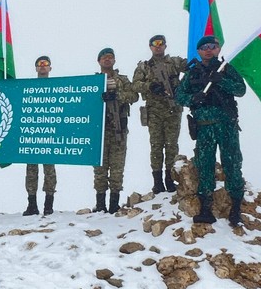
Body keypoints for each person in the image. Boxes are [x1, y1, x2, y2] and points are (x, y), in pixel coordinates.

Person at [175, 35, 246, 226]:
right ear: (199, 51)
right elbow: (180, 95)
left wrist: (221, 80)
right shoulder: (193, 73)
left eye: (213, 46)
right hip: (204, 127)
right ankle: (205, 208)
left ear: (218, 49)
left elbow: (240, 90)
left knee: (232, 164)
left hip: (226, 126)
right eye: (204, 47)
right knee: (204, 165)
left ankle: (236, 209)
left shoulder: (226, 69)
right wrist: (193, 98)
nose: (208, 50)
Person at [132, 35, 188, 193]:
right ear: (150, 47)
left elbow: (192, 67)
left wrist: (182, 87)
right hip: (154, 112)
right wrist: (151, 86)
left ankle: (170, 179)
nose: (158, 47)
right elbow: (135, 85)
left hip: (173, 110)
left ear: (165, 46)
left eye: (160, 44)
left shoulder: (175, 62)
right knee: (156, 147)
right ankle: (157, 182)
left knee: (171, 146)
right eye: (154, 44)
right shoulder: (144, 66)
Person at [92, 48, 138, 214]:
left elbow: (134, 96)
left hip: (118, 128)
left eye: (110, 57)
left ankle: (114, 203)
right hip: (99, 130)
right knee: (100, 168)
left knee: (117, 168)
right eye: (104, 57)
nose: (107, 60)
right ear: (99, 61)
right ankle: (100, 204)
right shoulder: (93, 81)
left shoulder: (123, 80)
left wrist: (117, 95)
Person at [23, 55, 58, 216]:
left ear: (50, 68)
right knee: (31, 170)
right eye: (39, 64)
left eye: (45, 64)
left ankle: (48, 205)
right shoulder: (28, 86)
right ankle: (32, 205)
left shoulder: (58, 87)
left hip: (50, 135)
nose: (42, 66)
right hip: (31, 135)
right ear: (36, 68)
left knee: (49, 170)